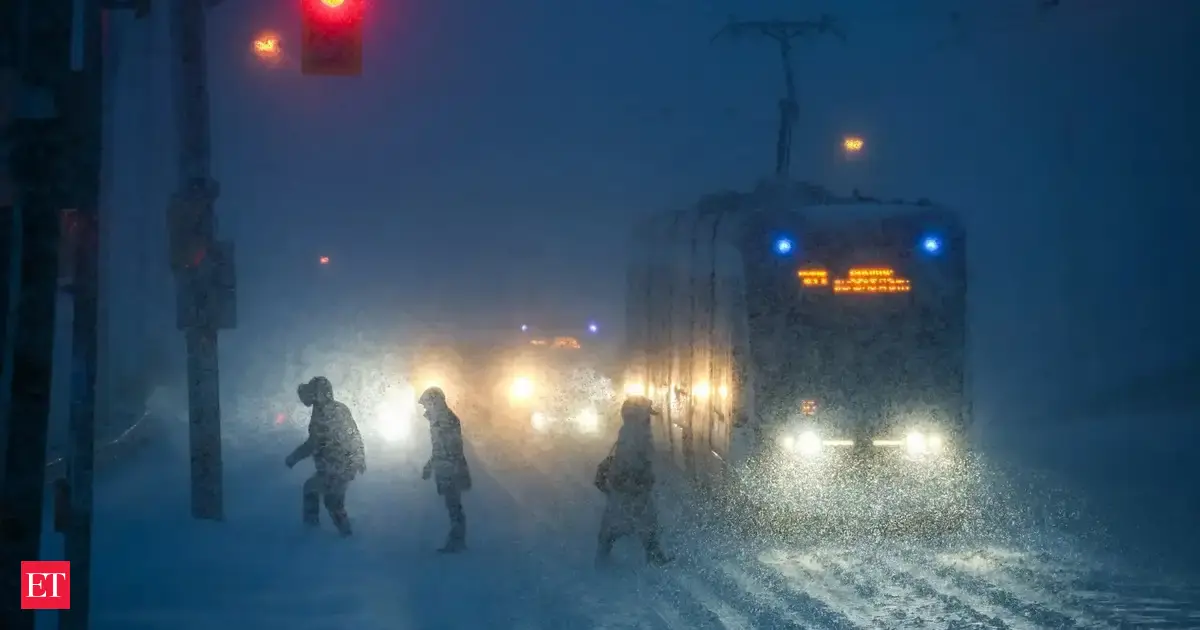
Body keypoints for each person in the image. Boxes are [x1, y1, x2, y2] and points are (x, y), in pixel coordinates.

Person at [594, 396, 672, 567]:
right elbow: (631, 462)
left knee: (613, 529)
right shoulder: (636, 433)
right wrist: (640, 480)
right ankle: (656, 562)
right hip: (632, 492)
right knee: (642, 526)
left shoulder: (629, 431)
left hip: (627, 491)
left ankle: (602, 562)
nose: (650, 419)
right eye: (647, 414)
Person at [285, 376, 366, 537]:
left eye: (313, 393)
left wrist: (295, 456)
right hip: (337, 465)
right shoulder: (332, 409)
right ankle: (336, 533)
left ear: (320, 393)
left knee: (329, 500)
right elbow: (355, 435)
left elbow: (315, 442)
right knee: (324, 497)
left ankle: (319, 532)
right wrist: (359, 458)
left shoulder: (327, 413)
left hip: (336, 466)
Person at [418, 386, 472, 553]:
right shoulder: (440, 419)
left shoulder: (445, 420)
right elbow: (440, 448)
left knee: (454, 505)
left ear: (435, 402)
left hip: (450, 469)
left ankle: (457, 541)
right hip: (448, 468)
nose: (425, 408)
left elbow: (449, 448)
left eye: (427, 404)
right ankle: (457, 539)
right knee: (453, 505)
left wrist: (438, 466)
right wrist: (431, 465)